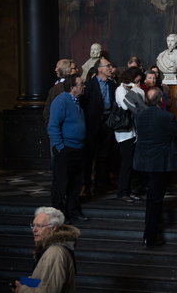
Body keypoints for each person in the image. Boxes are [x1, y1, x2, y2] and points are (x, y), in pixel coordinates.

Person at [132, 88, 177, 248]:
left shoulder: (139, 115)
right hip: (159, 163)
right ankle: (150, 237)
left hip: (143, 162)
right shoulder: (167, 117)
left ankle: (149, 234)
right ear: (161, 100)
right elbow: (175, 134)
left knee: (151, 198)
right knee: (155, 199)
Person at [48, 74, 88, 223]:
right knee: (61, 183)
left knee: (76, 183)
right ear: (72, 88)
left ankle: (73, 211)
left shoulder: (76, 101)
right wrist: (60, 147)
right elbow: (53, 126)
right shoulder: (61, 100)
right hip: (65, 149)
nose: (83, 86)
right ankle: (59, 215)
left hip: (78, 148)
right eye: (80, 84)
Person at [11, 207, 80, 293]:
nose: (34, 230)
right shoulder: (51, 248)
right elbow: (47, 282)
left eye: (39, 226)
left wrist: (21, 289)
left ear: (53, 228)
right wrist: (27, 282)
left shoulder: (54, 253)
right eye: (33, 225)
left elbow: (48, 290)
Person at [80, 57, 116, 198]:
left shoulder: (112, 85)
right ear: (99, 68)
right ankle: (86, 186)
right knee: (89, 157)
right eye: (108, 65)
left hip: (107, 124)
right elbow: (83, 105)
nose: (110, 68)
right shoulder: (89, 85)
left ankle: (101, 186)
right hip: (92, 126)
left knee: (104, 156)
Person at [114, 67, 145, 203]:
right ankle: (122, 192)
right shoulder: (121, 89)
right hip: (124, 133)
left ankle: (131, 190)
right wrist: (134, 90)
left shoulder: (129, 89)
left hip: (133, 131)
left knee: (132, 163)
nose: (138, 83)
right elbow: (126, 106)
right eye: (137, 80)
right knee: (126, 163)